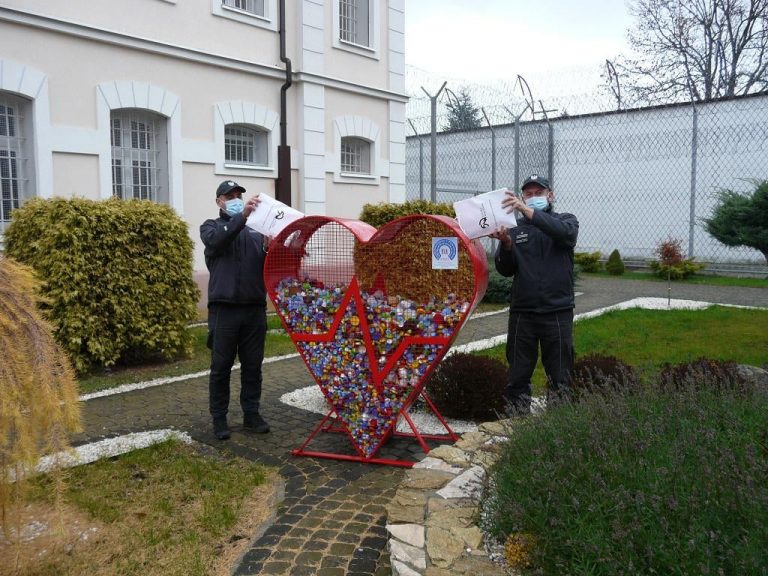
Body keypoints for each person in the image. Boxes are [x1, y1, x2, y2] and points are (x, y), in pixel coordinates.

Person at [489, 174, 579, 415]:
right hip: (523, 314)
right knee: (517, 376)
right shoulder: (513, 228)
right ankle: (516, 426)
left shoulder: (566, 220)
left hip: (557, 312)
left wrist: (526, 210)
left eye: (538, 193)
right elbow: (505, 270)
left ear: (550, 195)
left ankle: (559, 428)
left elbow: (565, 235)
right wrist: (507, 245)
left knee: (560, 376)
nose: (532, 197)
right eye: (527, 194)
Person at [200, 180, 271, 440]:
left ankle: (251, 414)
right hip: (224, 310)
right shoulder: (211, 227)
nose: (235, 198)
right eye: (229, 195)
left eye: (238, 195)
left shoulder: (256, 232)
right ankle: (219, 418)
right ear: (219, 201)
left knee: (253, 366)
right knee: (221, 367)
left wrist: (275, 244)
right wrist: (243, 216)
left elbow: (268, 265)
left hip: (254, 309)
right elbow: (219, 241)